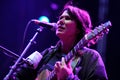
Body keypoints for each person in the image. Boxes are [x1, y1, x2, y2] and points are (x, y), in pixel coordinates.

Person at [11, 2, 108, 80]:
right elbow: (19, 76)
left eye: (67, 18)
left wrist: (69, 77)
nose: (60, 21)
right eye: (60, 18)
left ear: (79, 28)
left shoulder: (91, 57)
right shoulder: (47, 54)